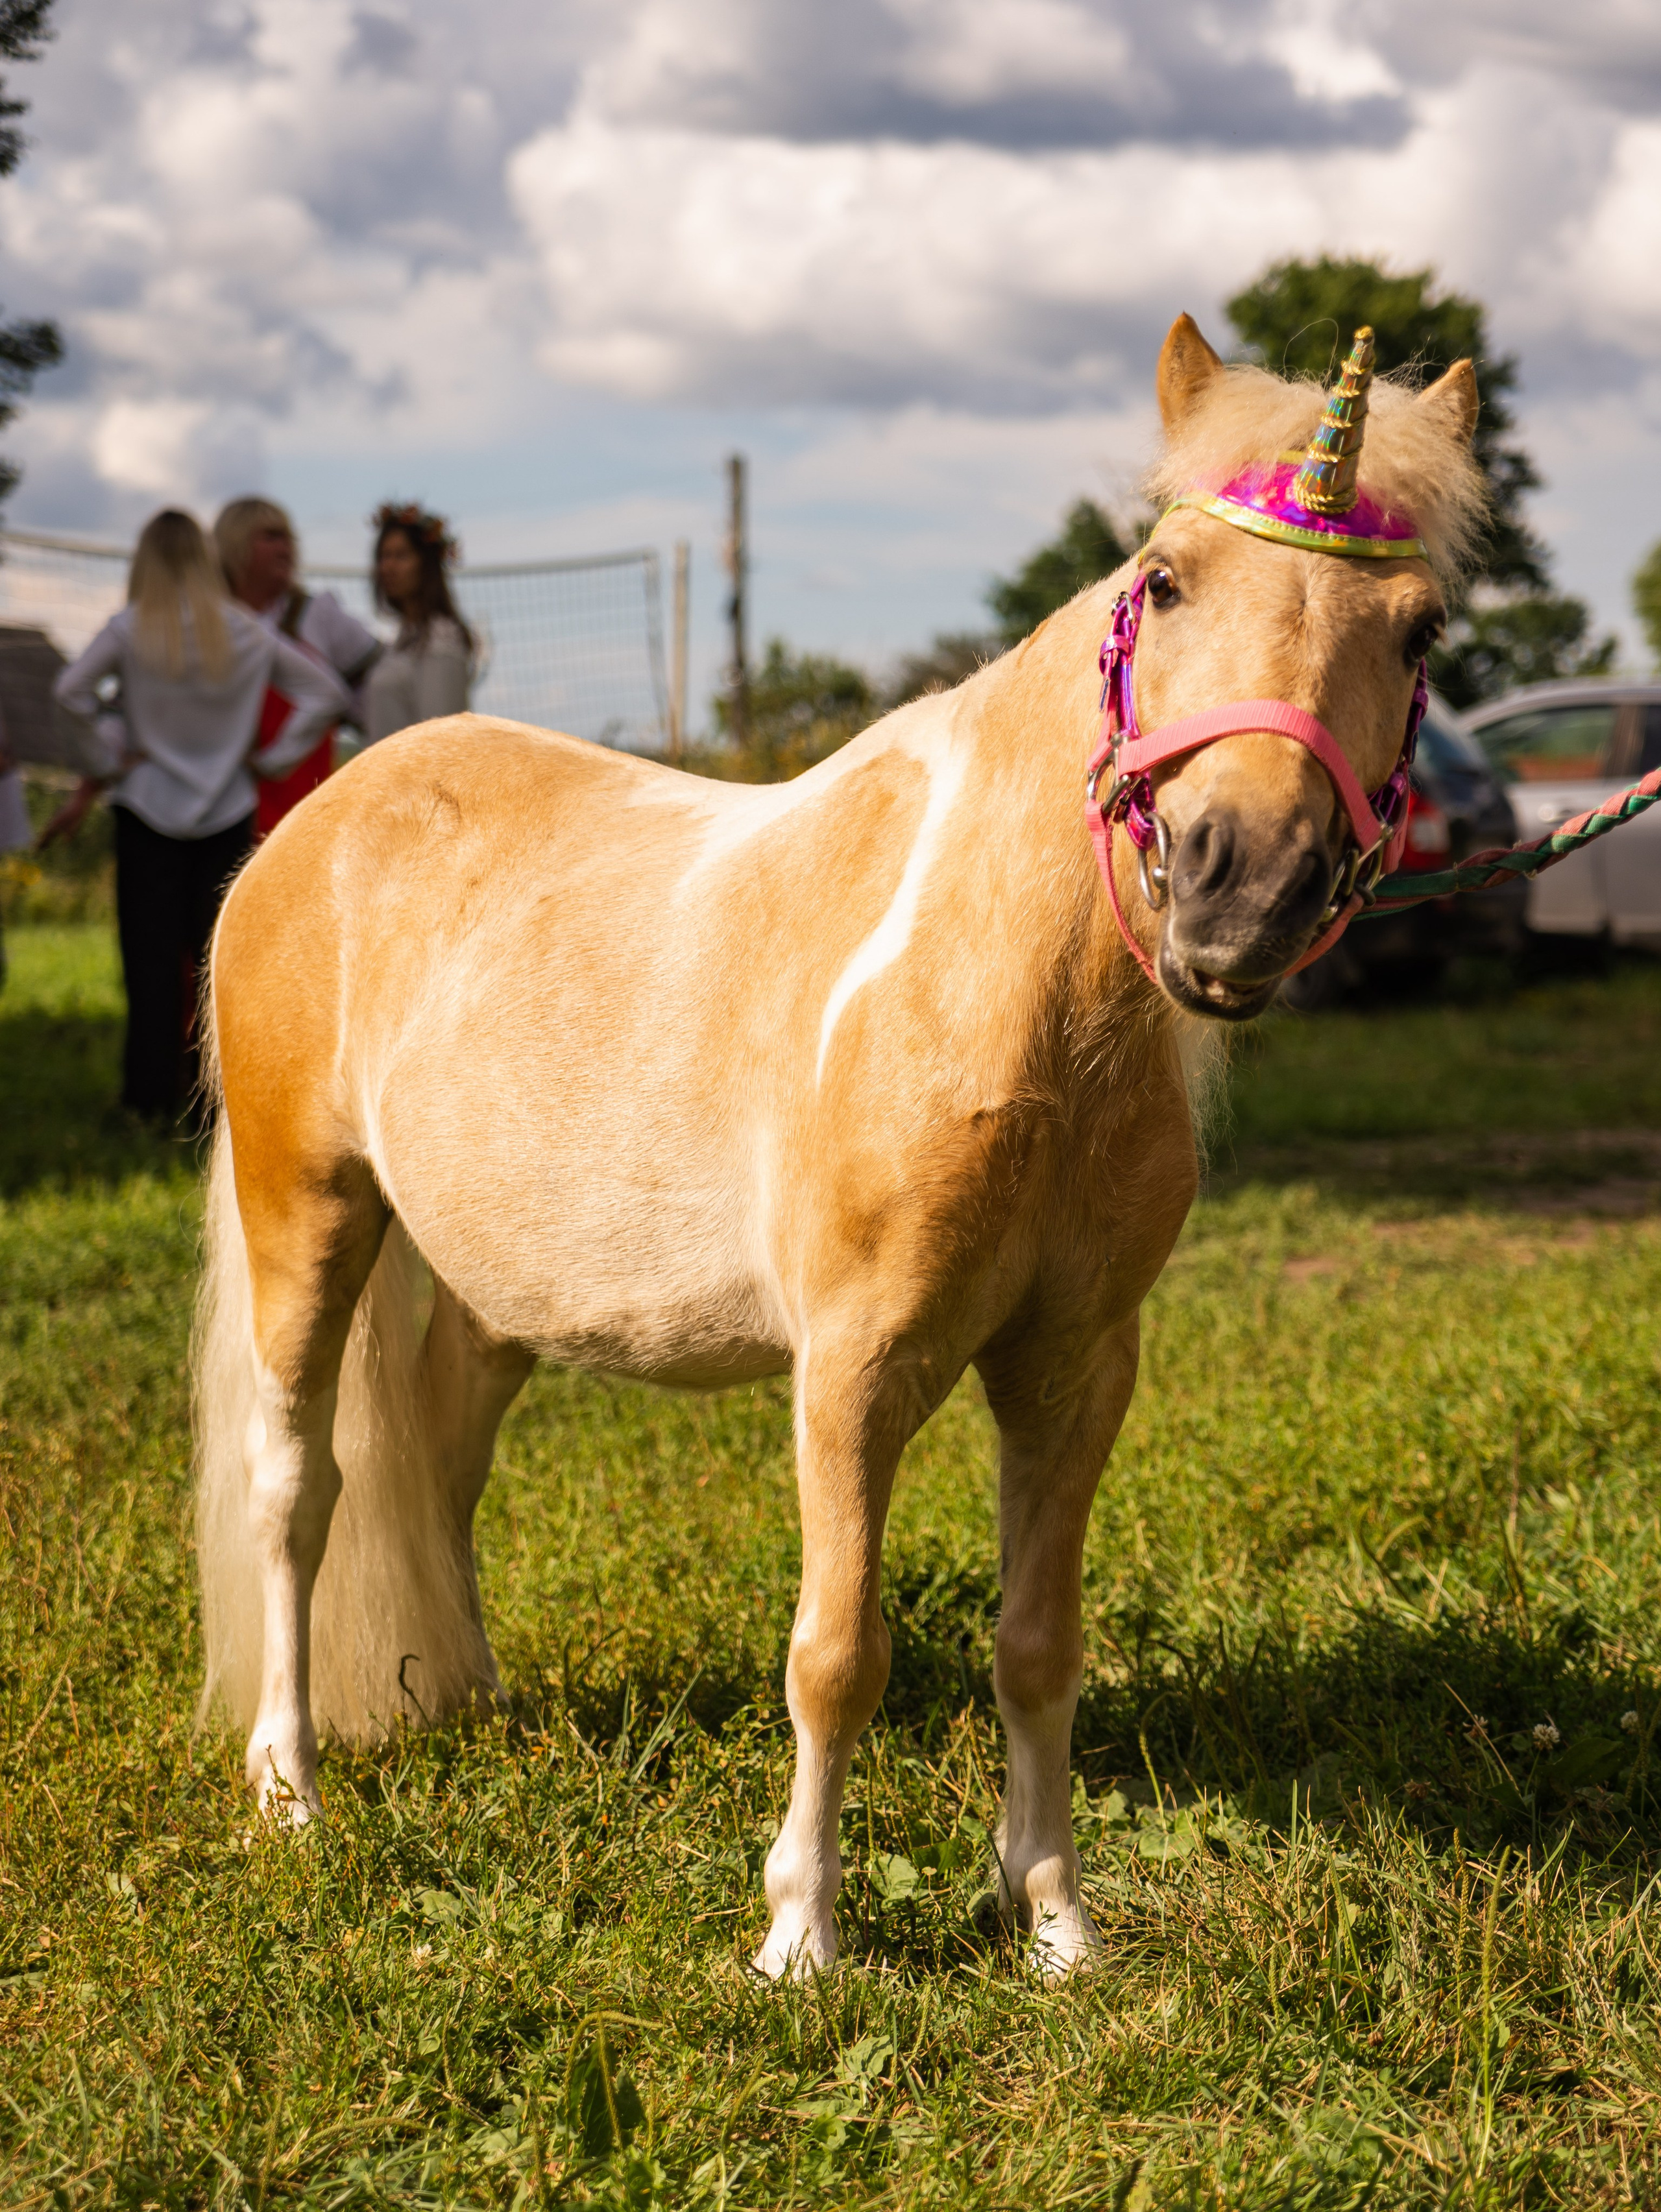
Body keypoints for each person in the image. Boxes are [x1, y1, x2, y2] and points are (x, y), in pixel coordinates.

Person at [51, 508, 346, 1124]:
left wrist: (106, 759)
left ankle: (149, 1099)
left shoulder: (131, 629)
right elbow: (328, 694)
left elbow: (68, 693)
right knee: (222, 969)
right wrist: (272, 759)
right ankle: (221, 1105)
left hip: (146, 808)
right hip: (228, 810)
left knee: (150, 962)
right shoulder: (243, 630)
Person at [213, 496, 382, 838]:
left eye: (288, 537)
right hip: (219, 812)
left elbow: (380, 689)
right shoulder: (208, 622)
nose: (285, 547)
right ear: (235, 545)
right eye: (270, 537)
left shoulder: (317, 616)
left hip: (305, 811)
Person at [362, 501, 474, 743]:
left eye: (401, 556)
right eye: (384, 556)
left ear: (426, 565)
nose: (388, 567)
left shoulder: (440, 639)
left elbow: (442, 740)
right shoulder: (406, 638)